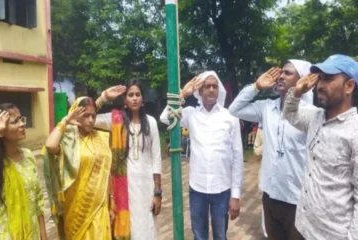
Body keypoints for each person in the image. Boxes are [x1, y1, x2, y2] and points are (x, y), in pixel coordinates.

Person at [229, 60, 312, 240]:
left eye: (288, 73)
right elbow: (234, 110)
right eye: (281, 72)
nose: (281, 76)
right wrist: (256, 86)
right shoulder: (267, 107)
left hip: (297, 199)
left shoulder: (310, 114)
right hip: (270, 194)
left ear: (302, 80)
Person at [160, 71, 244, 240]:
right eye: (206, 86)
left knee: (220, 235)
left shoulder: (230, 118)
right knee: (199, 235)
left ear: (219, 90)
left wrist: (235, 195)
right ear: (199, 91)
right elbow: (164, 118)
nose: (210, 90)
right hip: (197, 188)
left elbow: (237, 157)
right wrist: (183, 94)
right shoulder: (191, 114)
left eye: (214, 86)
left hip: (222, 188)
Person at [283, 54, 358, 239]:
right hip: (303, 226)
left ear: (349, 86)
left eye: (329, 79)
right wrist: (297, 92)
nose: (320, 85)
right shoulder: (316, 117)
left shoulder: (354, 132)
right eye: (320, 78)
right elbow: (290, 114)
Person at [94, 80, 162, 240]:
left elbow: (156, 158)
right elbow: (86, 116)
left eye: (137, 94)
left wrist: (157, 193)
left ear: (143, 99)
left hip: (146, 187)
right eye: (130, 95)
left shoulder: (151, 122)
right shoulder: (115, 120)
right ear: (125, 100)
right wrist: (103, 97)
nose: (134, 98)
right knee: (129, 229)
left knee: (147, 229)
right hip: (124, 187)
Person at [44, 97, 112, 240]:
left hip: (99, 206)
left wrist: (112, 203)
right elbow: (50, 146)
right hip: (76, 208)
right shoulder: (68, 141)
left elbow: (107, 174)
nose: (90, 120)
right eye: (85, 115)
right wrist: (66, 121)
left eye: (93, 116)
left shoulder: (101, 137)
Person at [0, 104, 47, 240]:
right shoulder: (0, 163)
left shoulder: (28, 155)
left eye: (21, 119)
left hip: (33, 234)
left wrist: (44, 236)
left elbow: (38, 202)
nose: (22, 124)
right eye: (14, 122)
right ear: (1, 131)